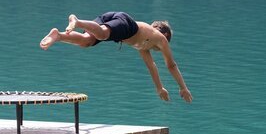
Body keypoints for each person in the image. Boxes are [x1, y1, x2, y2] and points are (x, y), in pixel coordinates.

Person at [40, 12, 193, 102]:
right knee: (102, 34)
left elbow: (151, 65)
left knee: (86, 41)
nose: (158, 50)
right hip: (126, 24)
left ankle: (58, 35)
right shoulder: (161, 38)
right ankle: (77, 21)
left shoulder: (144, 44)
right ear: (165, 34)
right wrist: (183, 87)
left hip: (113, 19)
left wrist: (160, 88)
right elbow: (171, 65)